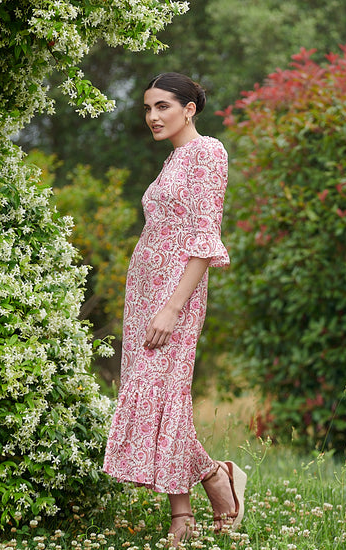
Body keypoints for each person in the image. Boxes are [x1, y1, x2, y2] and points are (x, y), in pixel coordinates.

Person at [103, 72, 247, 546]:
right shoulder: (174, 160)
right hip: (144, 291)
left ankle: (206, 489)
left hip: (176, 295)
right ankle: (193, 500)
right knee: (151, 399)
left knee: (166, 400)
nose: (152, 116)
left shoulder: (209, 153)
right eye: (147, 108)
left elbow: (205, 242)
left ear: (189, 108)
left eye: (162, 106)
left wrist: (171, 309)